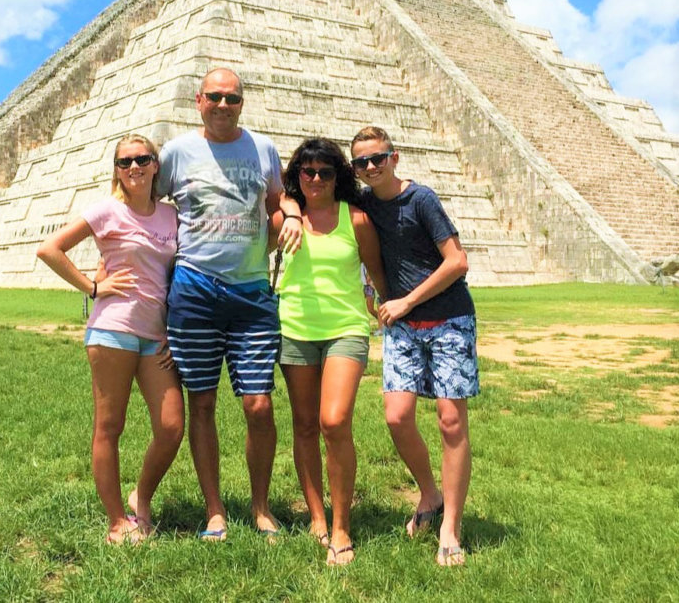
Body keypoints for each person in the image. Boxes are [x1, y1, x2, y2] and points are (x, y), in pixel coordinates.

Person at [156, 67, 302, 541]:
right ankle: (215, 509)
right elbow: (142, 203)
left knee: (259, 406)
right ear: (197, 100)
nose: (223, 105)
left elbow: (277, 199)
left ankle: (260, 507)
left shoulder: (262, 148)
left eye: (232, 98)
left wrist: (290, 217)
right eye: (214, 97)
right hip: (194, 291)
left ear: (243, 102)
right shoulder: (176, 152)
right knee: (202, 405)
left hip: (252, 293)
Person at [36, 134, 183, 544]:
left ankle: (142, 499)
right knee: (109, 426)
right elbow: (50, 249)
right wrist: (93, 287)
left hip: (156, 335)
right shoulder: (107, 210)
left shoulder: (171, 216)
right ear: (116, 170)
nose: (134, 167)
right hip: (112, 330)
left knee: (171, 426)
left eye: (142, 159)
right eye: (124, 162)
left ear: (156, 165)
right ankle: (117, 520)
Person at [350, 126, 478, 567]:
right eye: (361, 162)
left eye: (377, 159)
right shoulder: (364, 204)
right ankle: (429, 491)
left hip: (448, 319)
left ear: (395, 157)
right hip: (403, 325)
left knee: (450, 421)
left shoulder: (420, 199)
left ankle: (451, 527)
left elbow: (457, 261)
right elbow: (309, 192)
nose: (370, 168)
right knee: (397, 415)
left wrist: (405, 300)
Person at [270, 138, 387, 566]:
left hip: (346, 328)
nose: (316, 179)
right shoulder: (284, 218)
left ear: (340, 176)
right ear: (297, 175)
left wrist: (390, 310)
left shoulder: (356, 219)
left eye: (326, 172)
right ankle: (317, 516)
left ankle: (342, 526)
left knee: (333, 421)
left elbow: (376, 275)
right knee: (303, 425)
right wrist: (290, 212)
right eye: (308, 171)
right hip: (294, 327)